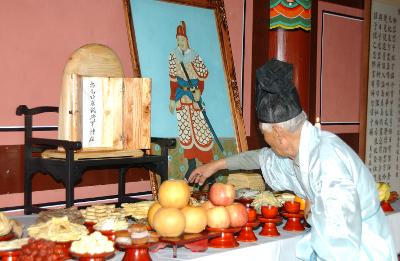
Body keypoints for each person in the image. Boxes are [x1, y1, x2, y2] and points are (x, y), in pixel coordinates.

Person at [188, 59, 397, 260]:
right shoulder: (301, 150)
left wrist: (314, 211)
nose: (265, 140)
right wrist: (215, 166)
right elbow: (260, 158)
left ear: (278, 132)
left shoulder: (326, 162)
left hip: (361, 251)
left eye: (264, 134)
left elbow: (339, 242)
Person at [168, 21, 214, 180]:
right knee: (186, 133)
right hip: (182, 98)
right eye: (178, 40)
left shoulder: (195, 56)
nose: (180, 43)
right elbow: (173, 80)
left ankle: (209, 168)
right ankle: (191, 166)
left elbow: (202, 77)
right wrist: (172, 99)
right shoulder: (173, 56)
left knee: (201, 132)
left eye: (183, 40)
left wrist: (199, 92)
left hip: (194, 97)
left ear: (187, 40)